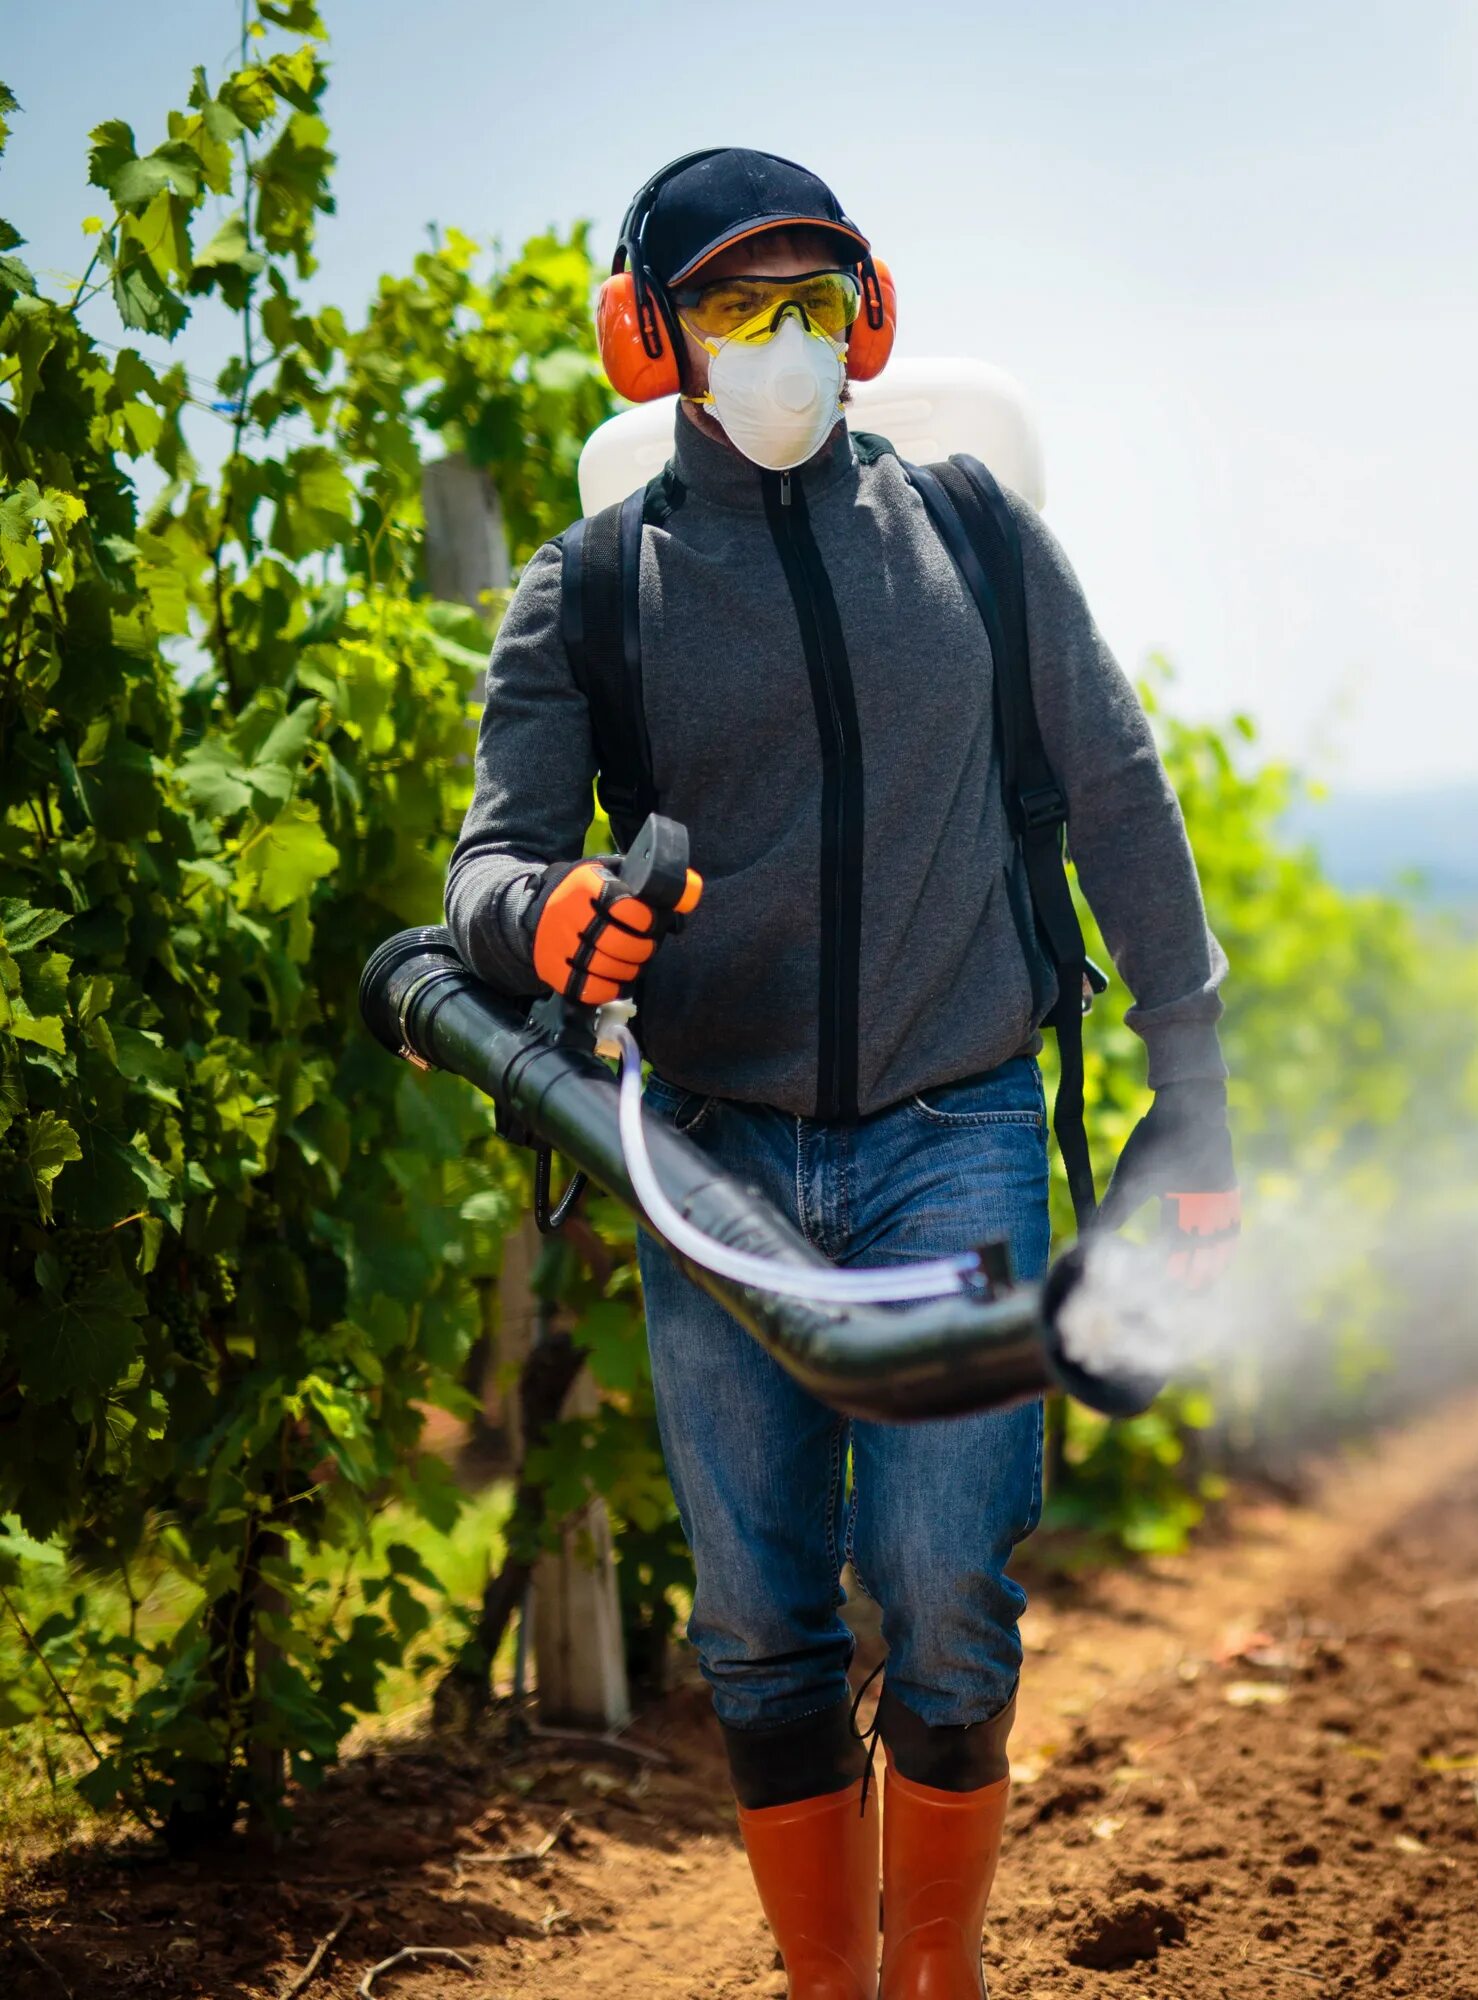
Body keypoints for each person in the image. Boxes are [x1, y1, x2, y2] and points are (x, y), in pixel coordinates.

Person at [444, 148, 1238, 1999]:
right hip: (712, 1168)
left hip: (952, 1140)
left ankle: (937, 1975)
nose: (785, 343)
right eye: (739, 304)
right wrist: (541, 921)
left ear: (867, 318)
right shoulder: (592, 593)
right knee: (758, 1624)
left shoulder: (971, 537)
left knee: (955, 1586)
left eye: (815, 300)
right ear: (654, 340)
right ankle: (832, 1986)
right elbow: (484, 874)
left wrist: (1190, 1091)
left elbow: (1120, 795)